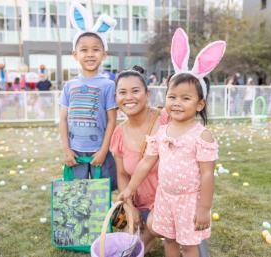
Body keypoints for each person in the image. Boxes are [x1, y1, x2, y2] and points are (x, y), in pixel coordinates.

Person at [119, 28, 224, 257]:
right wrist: (129, 189)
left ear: (199, 104)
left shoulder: (201, 135)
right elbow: (146, 163)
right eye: (172, 97)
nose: (177, 103)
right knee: (169, 240)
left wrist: (204, 209)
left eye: (185, 98)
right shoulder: (162, 131)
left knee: (189, 244)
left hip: (189, 201)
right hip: (164, 198)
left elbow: (207, 175)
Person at [59, 2, 118, 189]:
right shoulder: (69, 86)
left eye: (96, 49)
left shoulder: (108, 85)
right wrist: (67, 150)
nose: (90, 54)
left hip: (99, 152)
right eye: (84, 50)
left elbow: (111, 121)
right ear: (75, 54)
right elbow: (63, 119)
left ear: (104, 54)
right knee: (77, 194)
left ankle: (104, 220)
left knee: (102, 193)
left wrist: (103, 151)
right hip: (75, 153)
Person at [110, 66, 167, 253]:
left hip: (169, 198)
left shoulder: (164, 121)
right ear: (116, 97)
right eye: (122, 92)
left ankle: (151, 230)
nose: (129, 97)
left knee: (143, 237)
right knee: (133, 242)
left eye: (135, 91)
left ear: (147, 93)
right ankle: (147, 231)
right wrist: (130, 206)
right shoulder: (118, 133)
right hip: (140, 201)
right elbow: (121, 174)